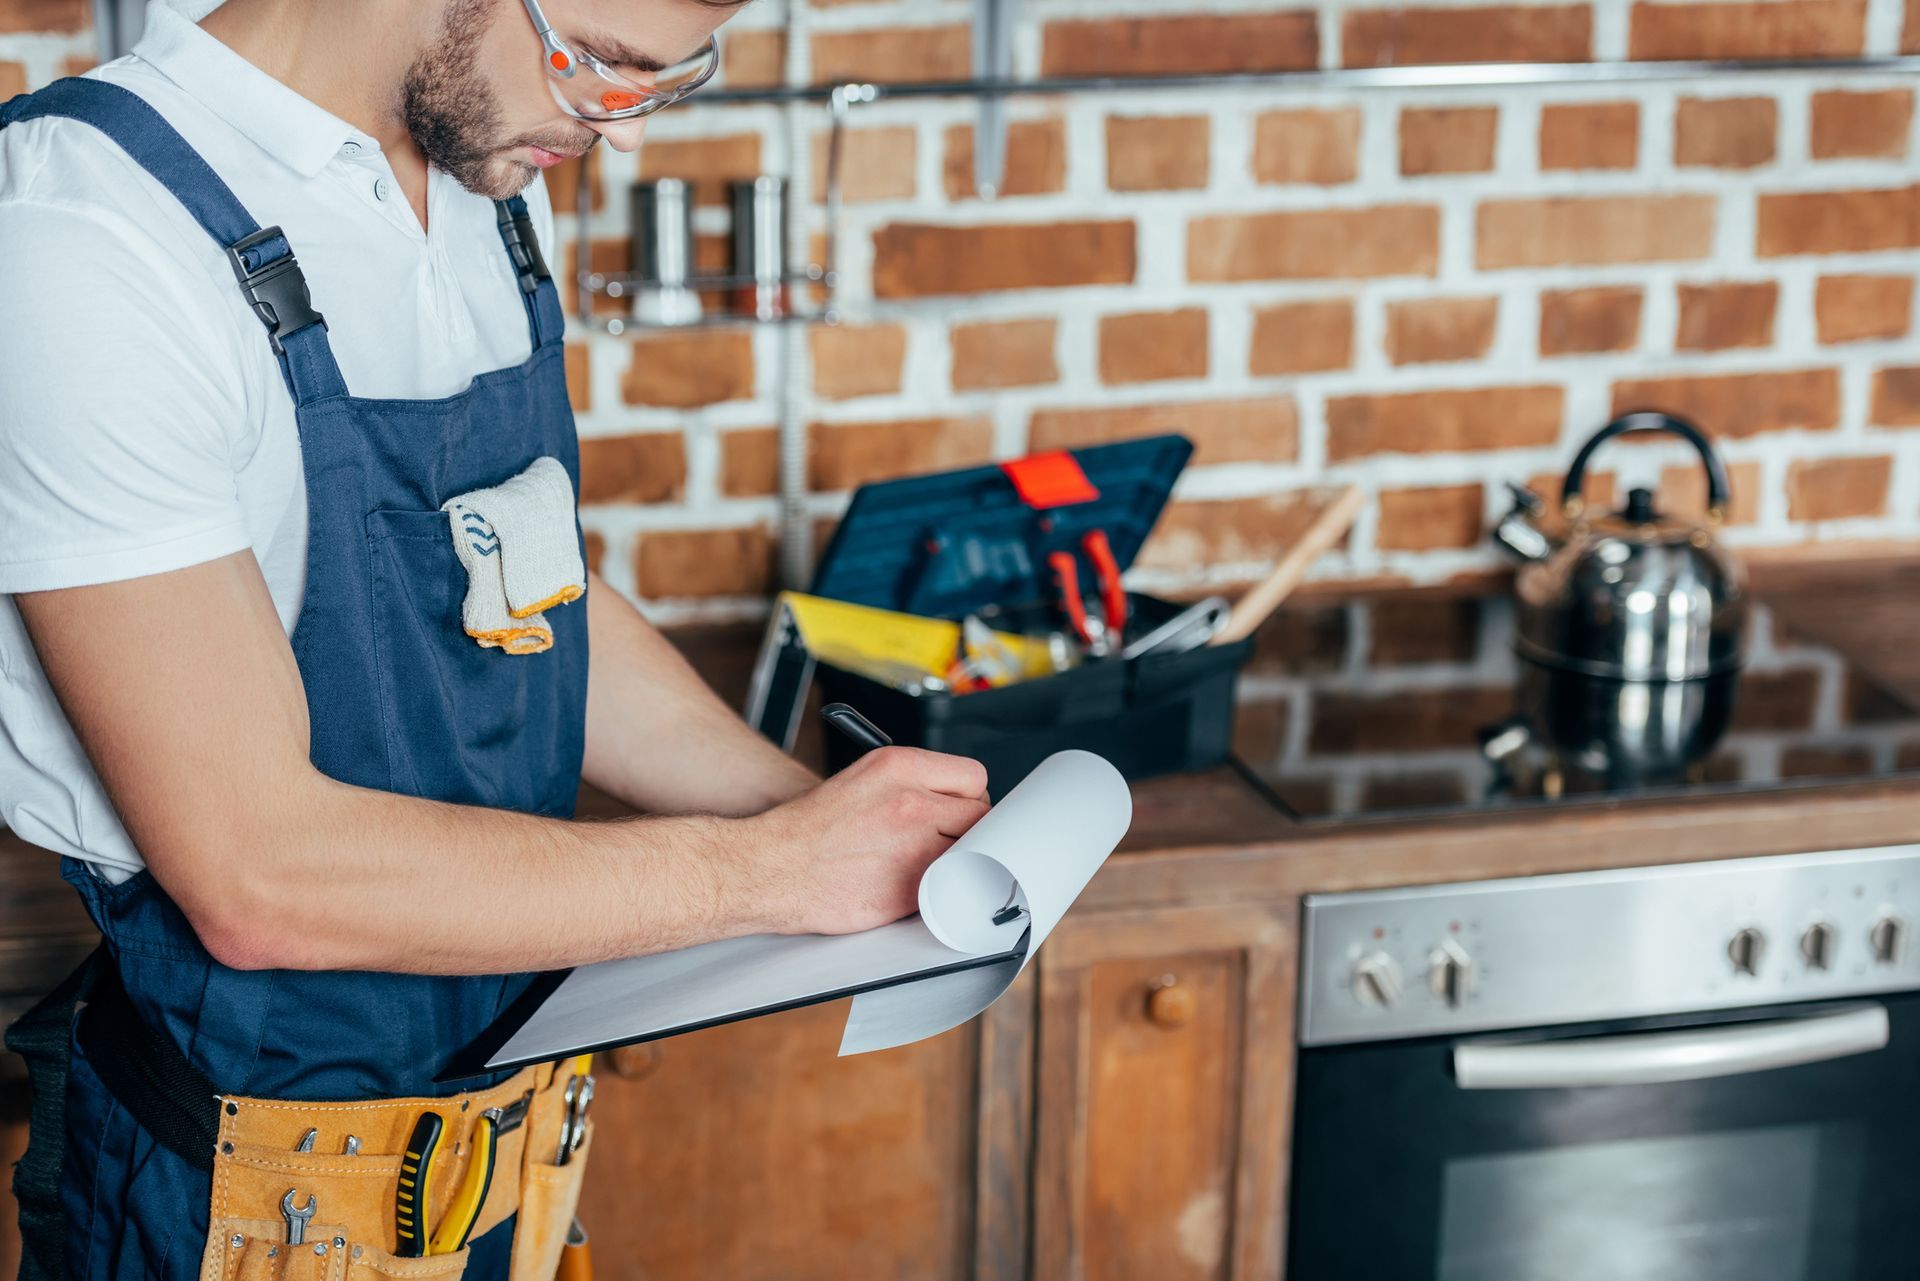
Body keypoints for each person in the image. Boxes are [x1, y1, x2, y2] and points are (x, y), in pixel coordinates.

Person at [0, 0, 990, 1276]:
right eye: (604, 66)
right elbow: (261, 875)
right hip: (245, 1208)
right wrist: (763, 876)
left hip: (507, 1165)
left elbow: (532, 589)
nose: (614, 131)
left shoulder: (477, 175)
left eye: (666, 83)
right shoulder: (87, 236)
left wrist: (824, 816)